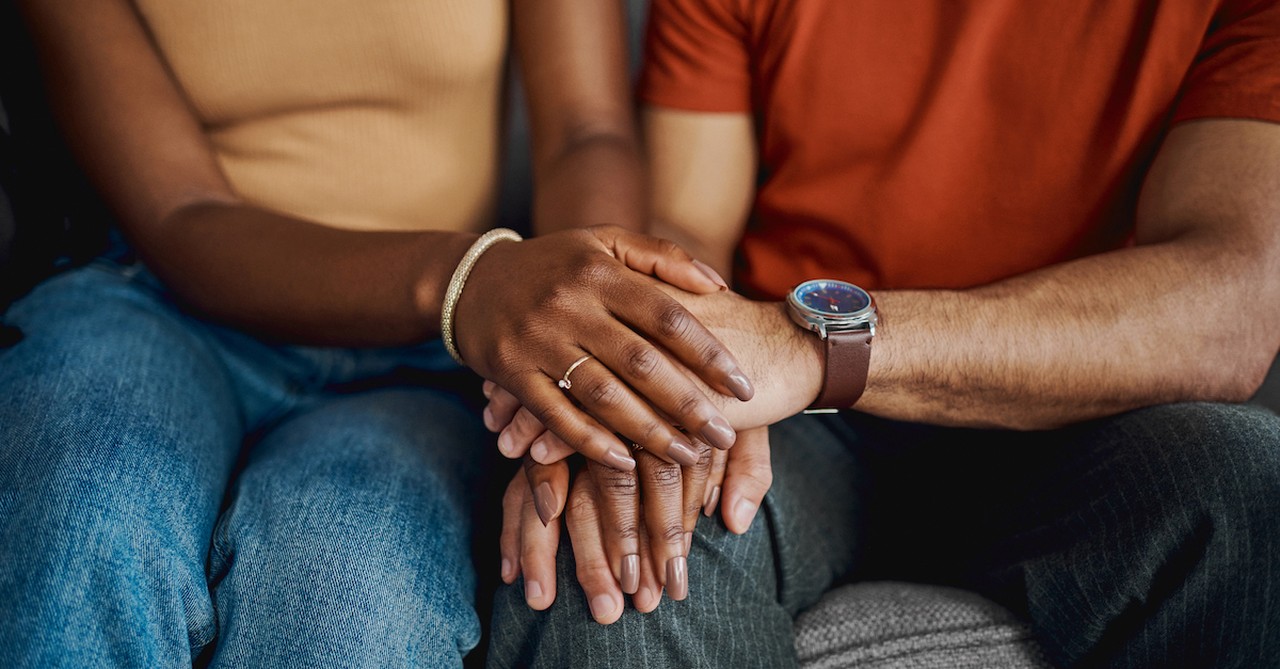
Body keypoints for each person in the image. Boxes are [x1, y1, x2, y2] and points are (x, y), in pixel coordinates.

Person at [482, 0, 1280, 667]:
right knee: (610, 563)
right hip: (791, 426)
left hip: (1087, 416)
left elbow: (1232, 300)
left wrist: (811, 345)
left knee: (1251, 486)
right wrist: (648, 382)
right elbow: (687, 228)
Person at [0, 0, 761, 666]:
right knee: (83, 509)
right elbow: (180, 213)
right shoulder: (466, 283)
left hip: (434, 352)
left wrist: (580, 353)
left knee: (350, 589)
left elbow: (585, 131)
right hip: (157, 304)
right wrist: (468, 279)